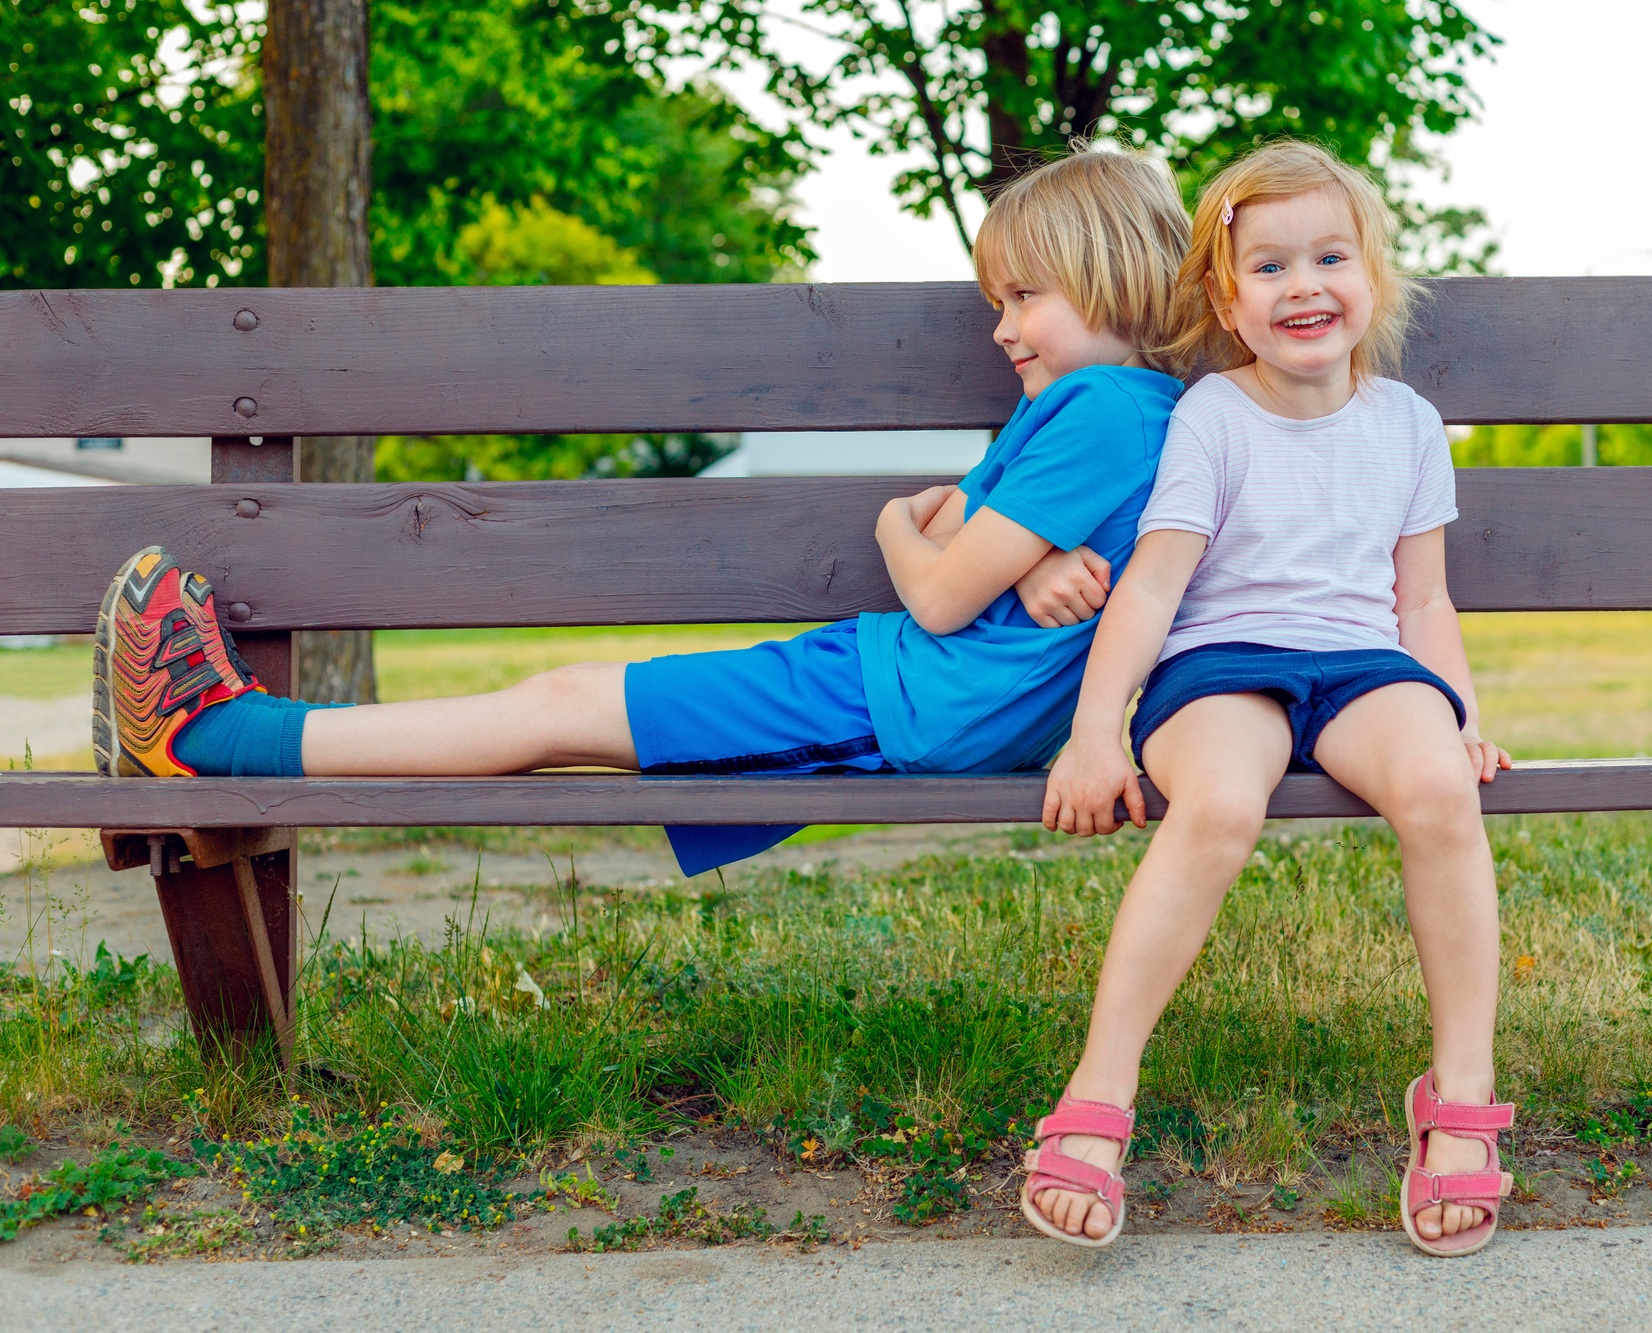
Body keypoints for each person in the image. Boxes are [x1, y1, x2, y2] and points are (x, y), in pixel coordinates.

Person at [93, 147, 1191, 879]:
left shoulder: (1096, 409)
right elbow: (997, 535)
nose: (1002, 329)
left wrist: (895, 529)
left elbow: (946, 581)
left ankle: (210, 737)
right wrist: (1016, 559)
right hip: (904, 688)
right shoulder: (1131, 410)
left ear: (1112, 271)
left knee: (562, 708)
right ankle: (227, 737)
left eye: (1022, 297)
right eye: (994, 303)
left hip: (911, 698)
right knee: (563, 708)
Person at [1022, 142, 1514, 1256]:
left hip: (1360, 666)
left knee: (1439, 788)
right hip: (1220, 665)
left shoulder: (1405, 424)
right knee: (1219, 806)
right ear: (1225, 298)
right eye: (1270, 266)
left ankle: (1459, 1099)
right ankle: (1098, 1100)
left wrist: (1458, 712)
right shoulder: (1213, 415)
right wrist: (1097, 730)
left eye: (1329, 257)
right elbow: (1150, 588)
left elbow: (1421, 601)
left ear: (1370, 277)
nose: (1304, 286)